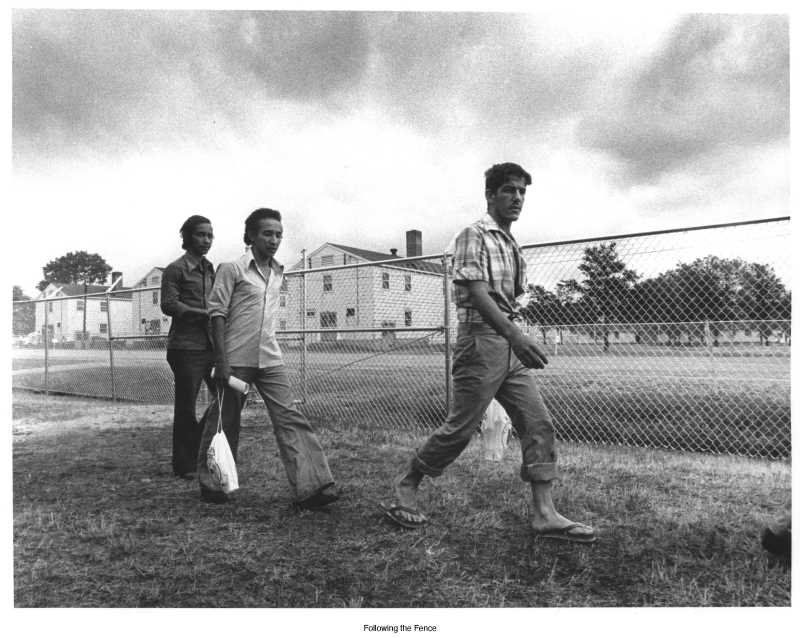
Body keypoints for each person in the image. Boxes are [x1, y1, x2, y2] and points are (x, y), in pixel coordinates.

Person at [382, 162, 596, 543]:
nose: (517, 198)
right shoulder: (472, 235)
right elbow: (478, 294)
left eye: (522, 192)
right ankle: (407, 485)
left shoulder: (511, 243)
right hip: (481, 341)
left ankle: (545, 513)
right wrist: (516, 336)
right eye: (509, 190)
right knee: (461, 429)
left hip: (509, 343)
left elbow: (508, 299)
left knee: (537, 422)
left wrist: (516, 336)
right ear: (491, 195)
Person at [196, 208, 339, 508]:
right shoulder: (232, 269)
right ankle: (214, 483)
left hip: (270, 358)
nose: (274, 239)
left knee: (290, 416)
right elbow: (217, 315)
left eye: (278, 234)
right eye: (267, 233)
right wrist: (221, 361)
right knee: (224, 418)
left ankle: (313, 486)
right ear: (250, 236)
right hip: (235, 359)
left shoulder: (278, 271)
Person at [160, 215, 216, 479]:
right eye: (200, 235)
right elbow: (169, 304)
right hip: (185, 348)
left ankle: (198, 445)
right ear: (187, 237)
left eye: (210, 236)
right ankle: (184, 464)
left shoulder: (210, 268)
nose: (206, 240)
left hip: (211, 346)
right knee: (186, 407)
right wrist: (202, 313)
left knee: (228, 398)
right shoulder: (175, 269)